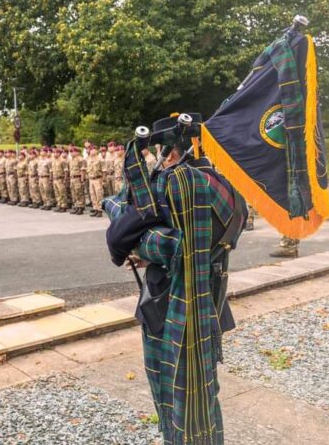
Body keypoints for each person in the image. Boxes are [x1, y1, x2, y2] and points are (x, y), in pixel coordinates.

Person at [105, 113, 246, 445]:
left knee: (173, 391)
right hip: (208, 298)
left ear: (167, 150)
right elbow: (226, 235)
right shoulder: (221, 181)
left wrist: (139, 247)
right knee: (203, 391)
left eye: (157, 151)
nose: (155, 159)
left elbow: (172, 245)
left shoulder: (177, 183)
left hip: (172, 307)